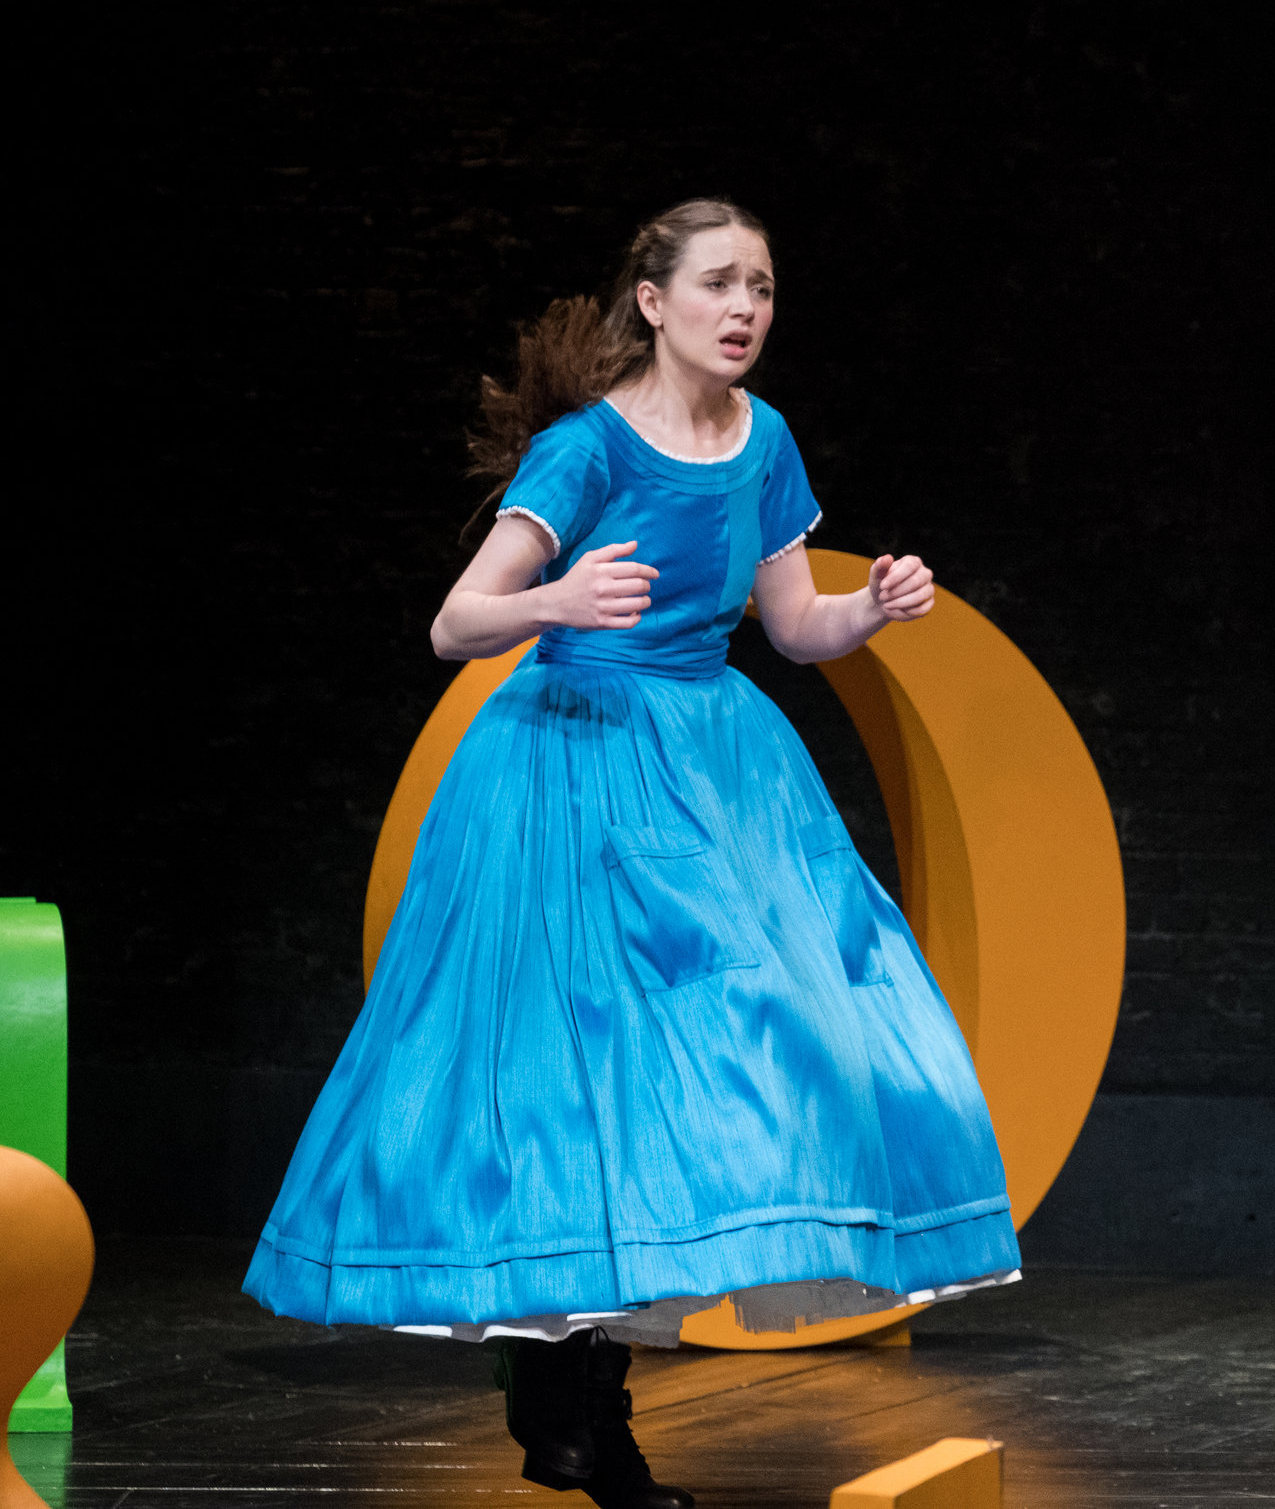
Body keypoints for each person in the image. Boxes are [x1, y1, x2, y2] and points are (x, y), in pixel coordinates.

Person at [243, 199, 1019, 1509]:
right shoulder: (584, 451)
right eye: (720, 283)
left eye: (763, 288)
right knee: (587, 1086)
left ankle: (584, 1395)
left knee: (740, 1049)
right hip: (569, 772)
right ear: (652, 303)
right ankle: (577, 1404)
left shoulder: (763, 441)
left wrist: (868, 612)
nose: (746, 309)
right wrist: (554, 601)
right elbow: (456, 623)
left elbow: (790, 624)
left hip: (716, 774)